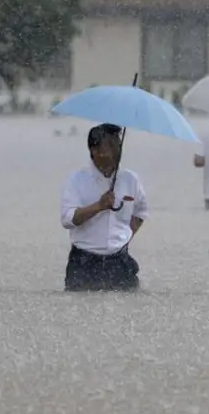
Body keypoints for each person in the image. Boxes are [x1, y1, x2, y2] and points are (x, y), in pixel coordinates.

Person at [60, 123, 149, 291]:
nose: (117, 151)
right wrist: (98, 206)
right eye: (111, 146)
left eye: (118, 145)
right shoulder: (77, 180)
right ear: (94, 150)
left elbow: (140, 212)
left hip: (119, 262)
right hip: (84, 263)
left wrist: (124, 238)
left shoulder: (131, 179)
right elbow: (67, 219)